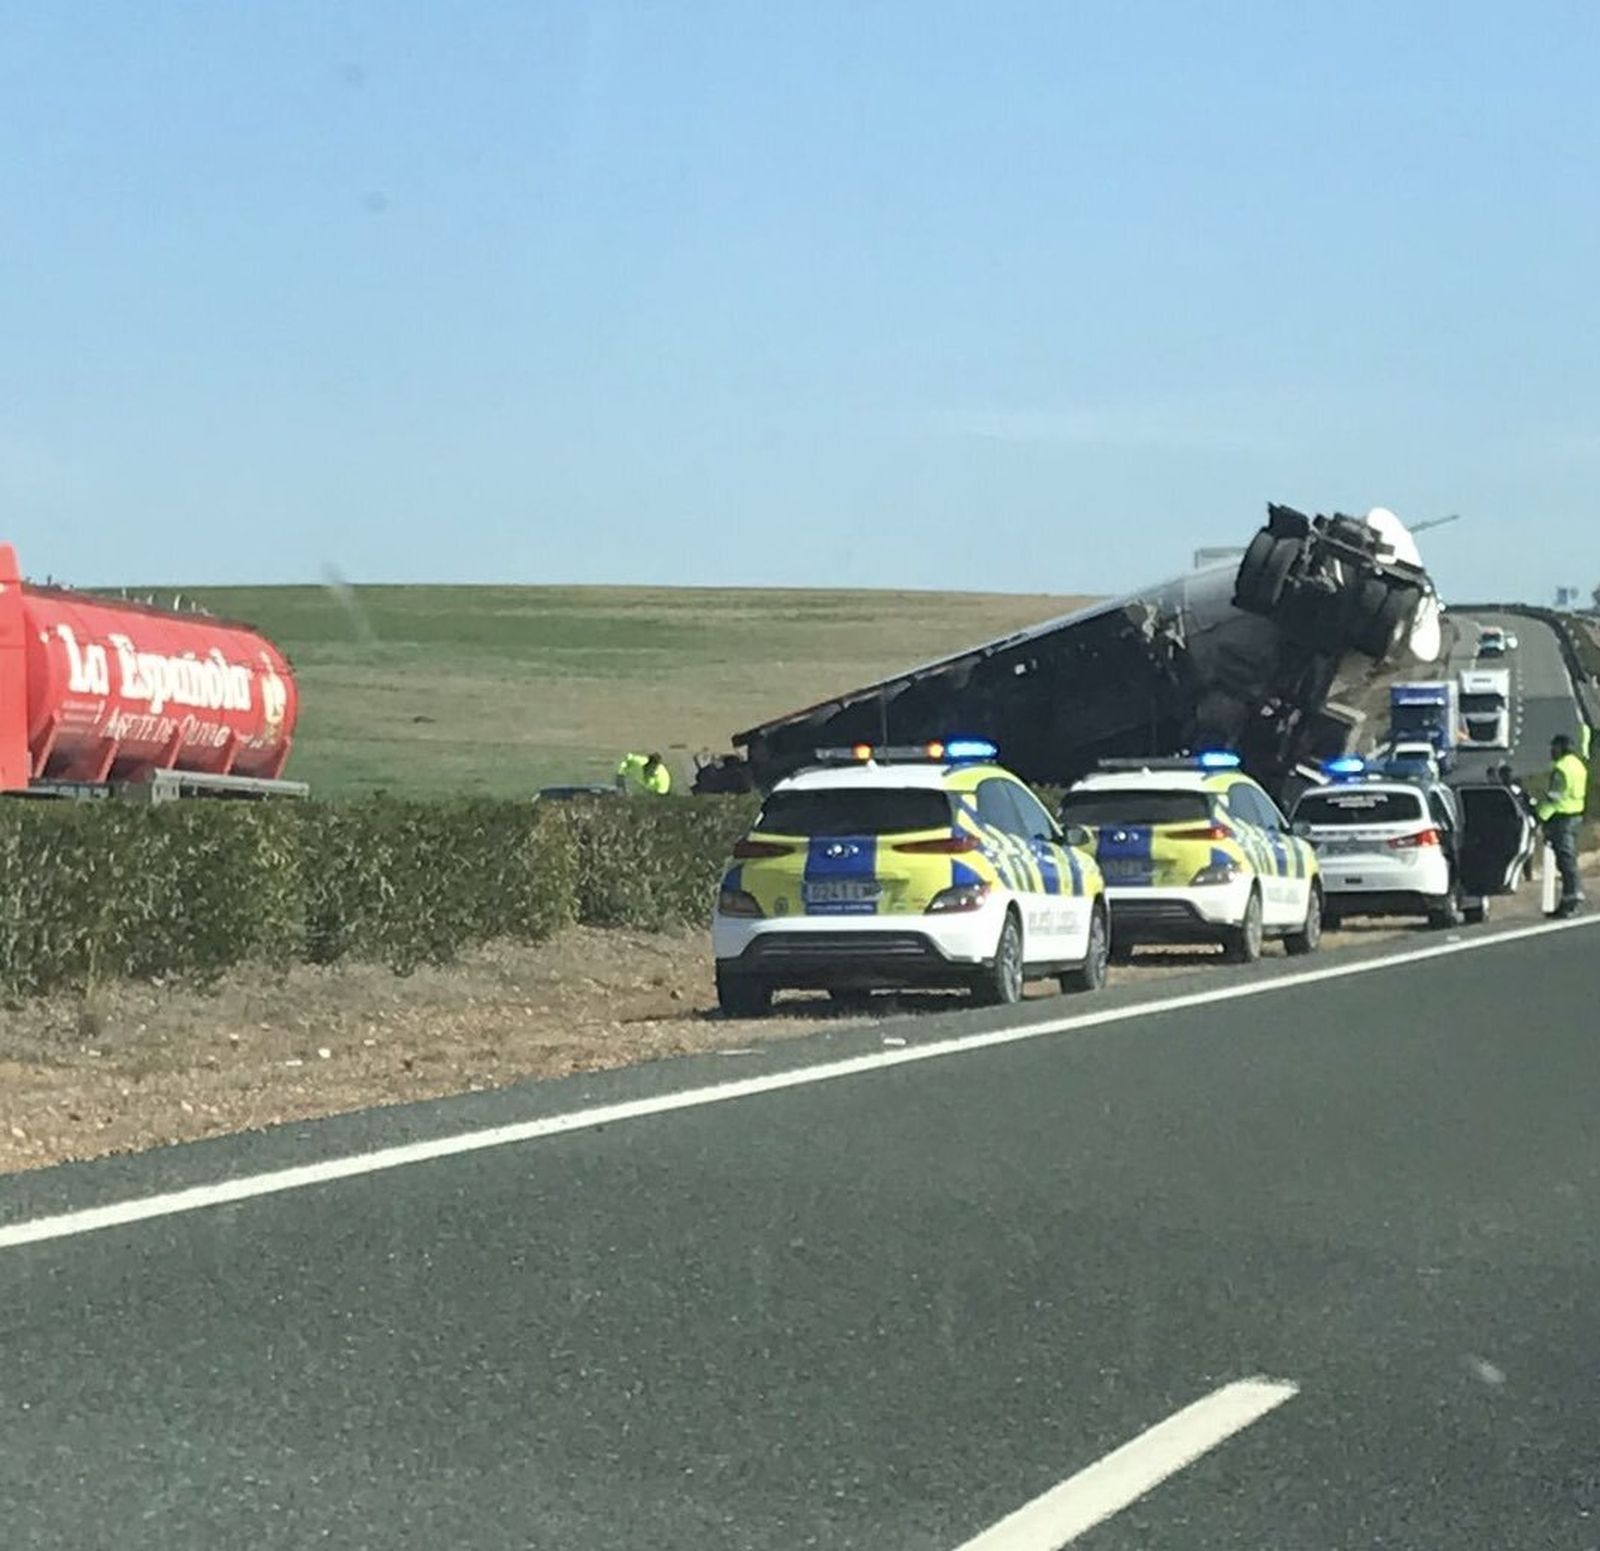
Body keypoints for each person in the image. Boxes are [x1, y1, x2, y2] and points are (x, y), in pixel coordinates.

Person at [1535, 733, 1589, 917]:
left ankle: (1572, 895)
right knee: (1569, 857)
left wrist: (1539, 816)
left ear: (1561, 747)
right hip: (1576, 814)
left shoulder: (1561, 768)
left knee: (1565, 860)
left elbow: (1555, 797)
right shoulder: (1578, 764)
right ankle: (1569, 899)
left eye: (1554, 746)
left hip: (1561, 817)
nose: (1552, 750)